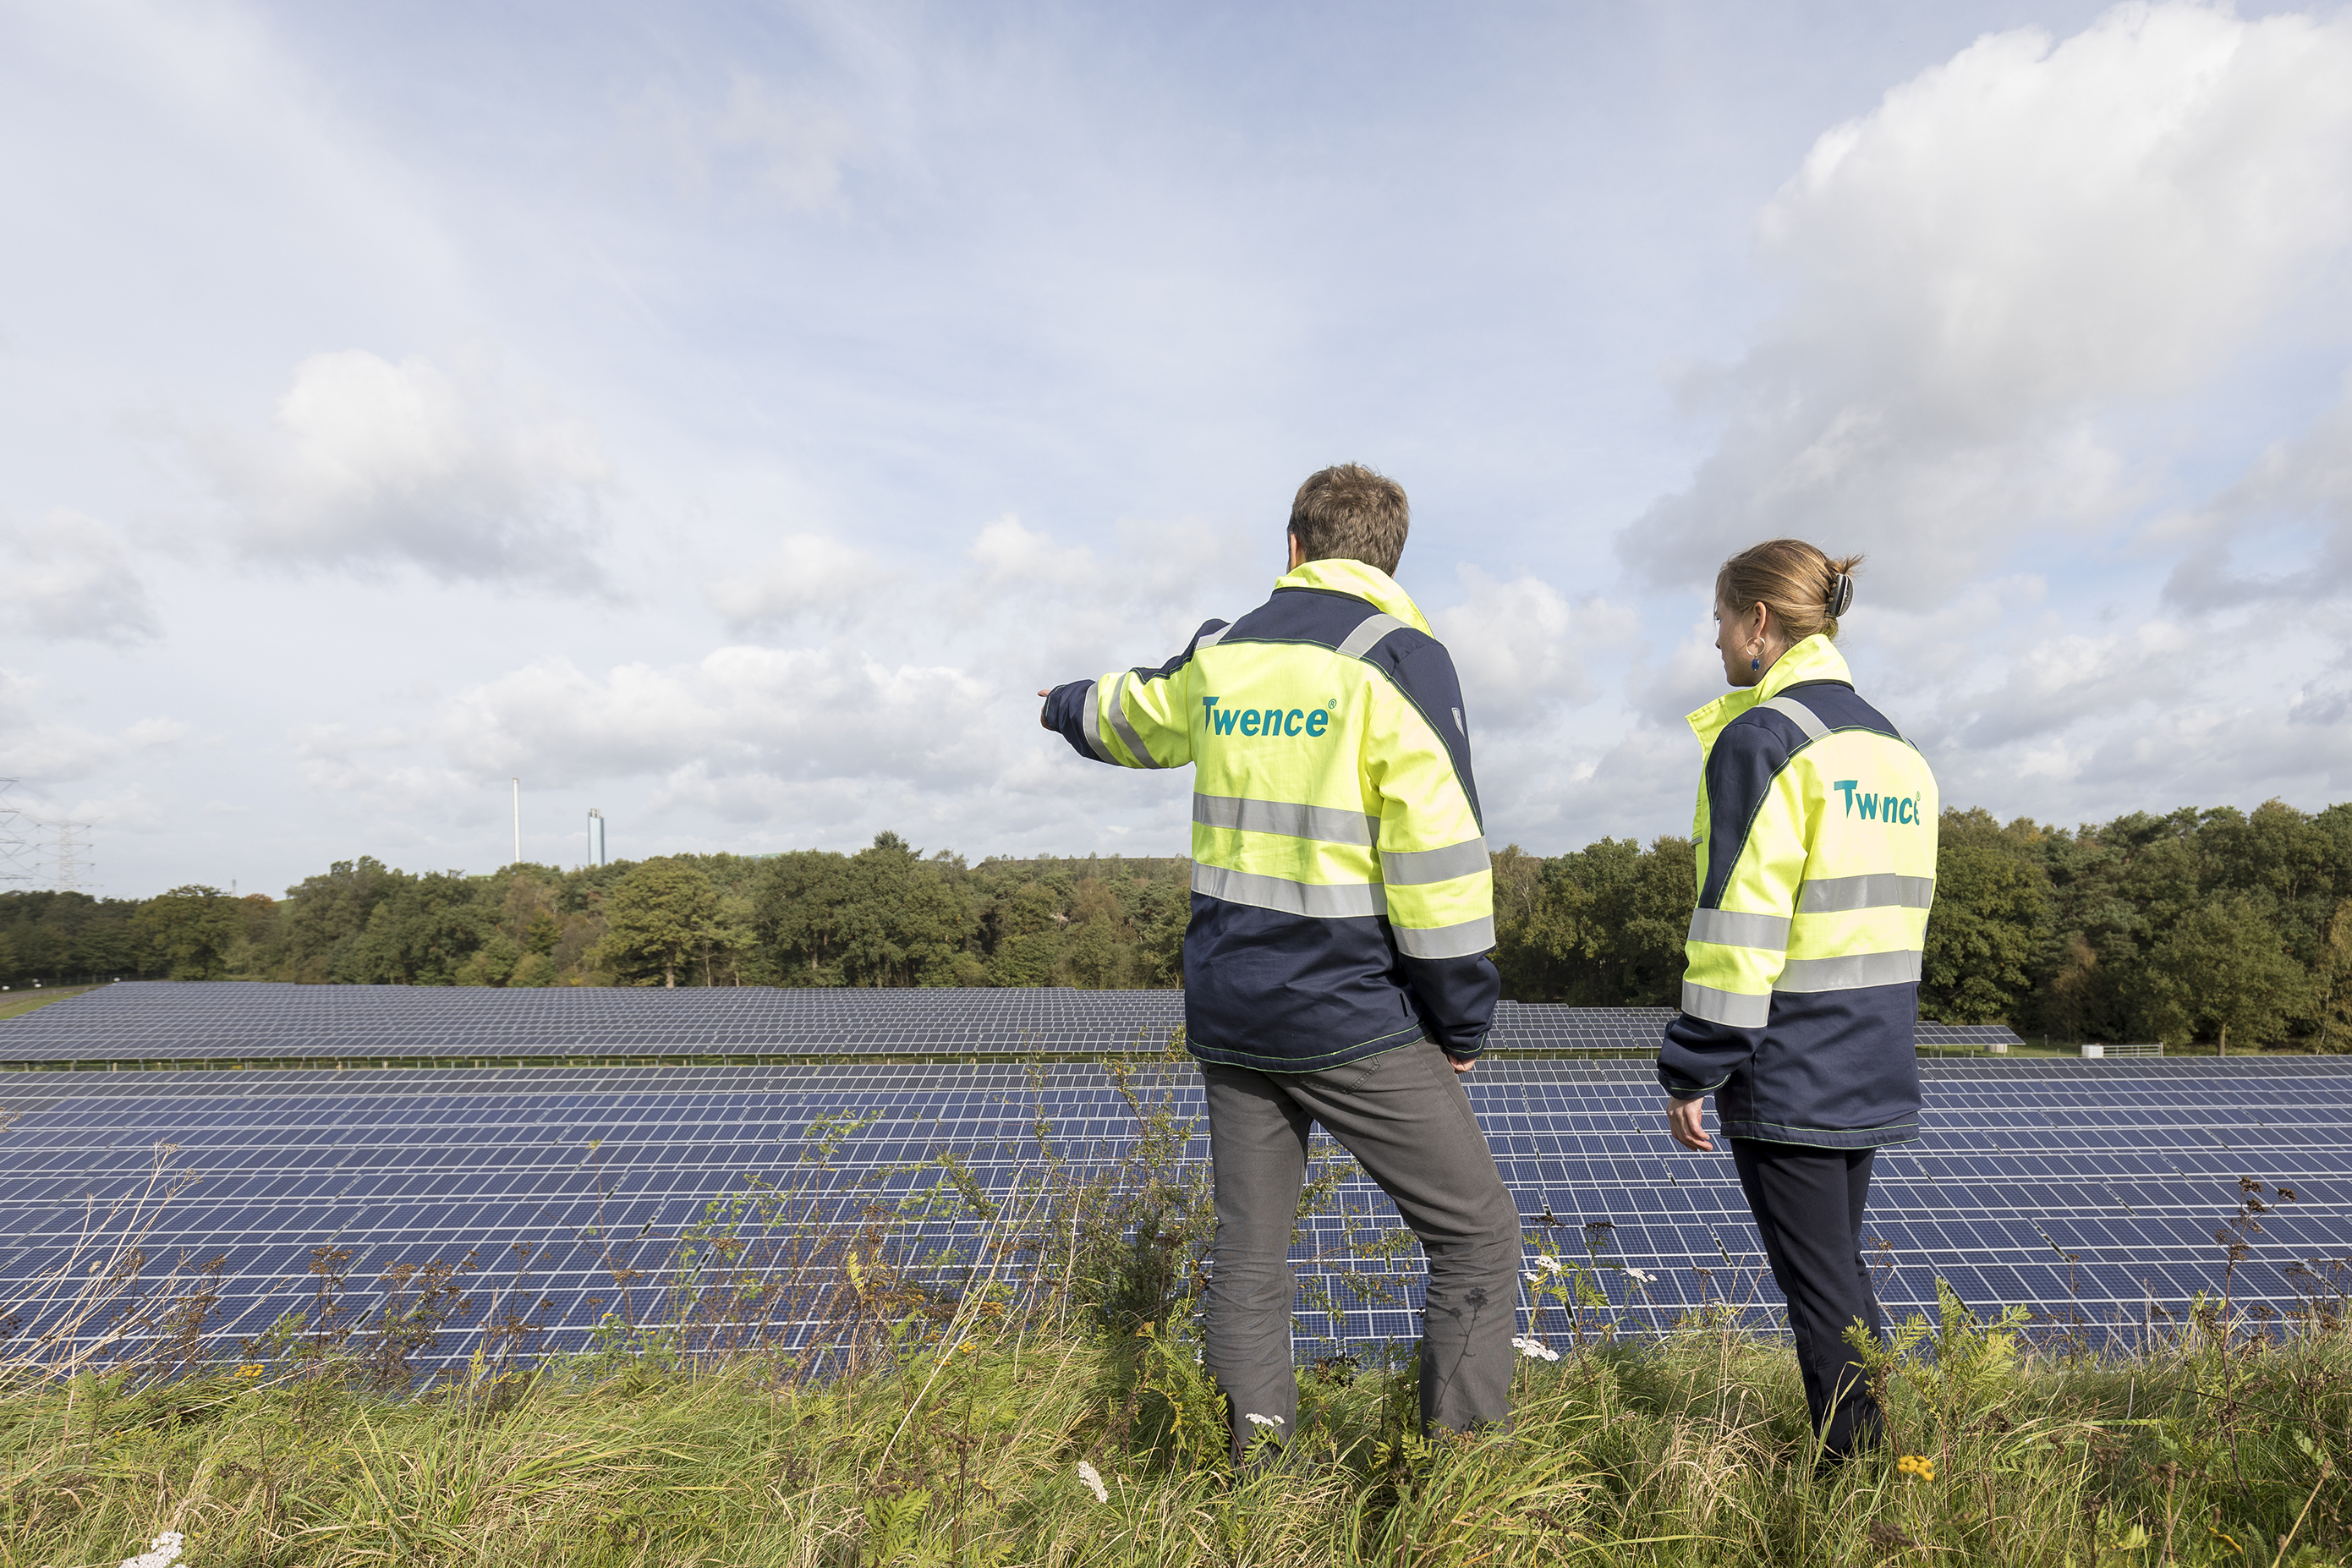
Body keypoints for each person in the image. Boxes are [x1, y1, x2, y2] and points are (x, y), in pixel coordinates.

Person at [1037, 463, 1519, 1466]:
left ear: (1294, 548)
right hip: (1352, 1016)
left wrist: (1061, 705)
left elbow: (1126, 713)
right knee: (1476, 1237)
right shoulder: (1403, 659)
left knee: (1249, 1261)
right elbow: (1441, 869)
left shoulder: (1225, 651)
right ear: (1386, 557)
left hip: (1232, 1013)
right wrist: (1461, 1023)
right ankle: (1465, 1483)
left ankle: (1258, 1488)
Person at [1657, 539, 1938, 1467]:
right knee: (1839, 1274)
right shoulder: (1897, 753)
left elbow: (1740, 921)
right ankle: (1872, 1462)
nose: (1717, 644)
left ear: (1760, 625)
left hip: (1792, 1063)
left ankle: (1857, 1480)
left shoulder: (1764, 740)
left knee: (1820, 1288)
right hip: (1872, 1052)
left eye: (1721, 623)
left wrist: (1694, 1064)